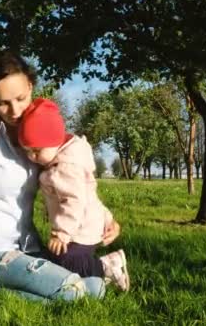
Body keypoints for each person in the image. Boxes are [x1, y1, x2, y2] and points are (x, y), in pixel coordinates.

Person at [0, 50, 121, 301]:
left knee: (95, 288)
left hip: (26, 247)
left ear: (31, 86)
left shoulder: (39, 134)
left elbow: (76, 181)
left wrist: (106, 219)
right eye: (2, 103)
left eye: (21, 98)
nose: (15, 111)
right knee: (74, 291)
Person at [18, 98, 130, 291]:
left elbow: (74, 201)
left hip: (80, 229)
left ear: (54, 141)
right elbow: (89, 194)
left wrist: (61, 233)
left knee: (66, 260)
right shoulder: (67, 158)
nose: (31, 157)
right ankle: (96, 271)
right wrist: (108, 218)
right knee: (57, 257)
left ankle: (105, 266)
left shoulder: (65, 167)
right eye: (27, 151)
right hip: (86, 223)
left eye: (36, 151)